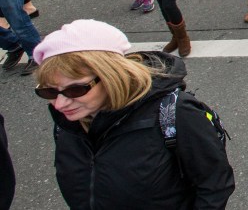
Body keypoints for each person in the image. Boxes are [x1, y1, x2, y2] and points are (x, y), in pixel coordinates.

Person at [32, 19, 234, 207]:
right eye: (48, 91)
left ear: (111, 76)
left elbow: (214, 185)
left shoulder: (176, 113)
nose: (59, 104)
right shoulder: (68, 122)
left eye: (75, 89)